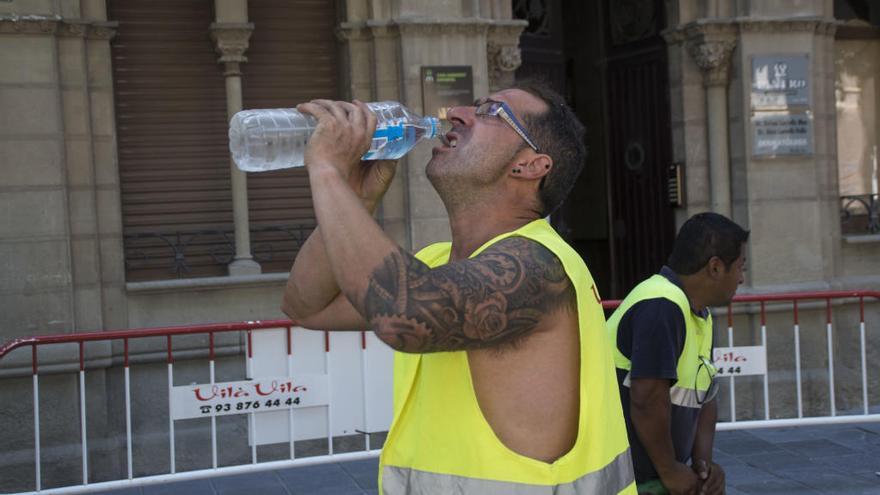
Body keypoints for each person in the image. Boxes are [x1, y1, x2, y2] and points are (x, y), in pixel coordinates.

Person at [281, 83, 636, 494]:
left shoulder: (538, 265)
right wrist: (357, 197)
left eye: (490, 112)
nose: (456, 113)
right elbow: (307, 305)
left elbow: (406, 315)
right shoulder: (436, 263)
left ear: (530, 165)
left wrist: (326, 170)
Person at [606, 212, 749, 495]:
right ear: (716, 267)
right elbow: (646, 399)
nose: (742, 278)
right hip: (628, 480)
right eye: (741, 267)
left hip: (653, 478)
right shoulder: (661, 305)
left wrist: (703, 467)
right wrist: (670, 470)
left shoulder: (698, 314)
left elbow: (705, 398)